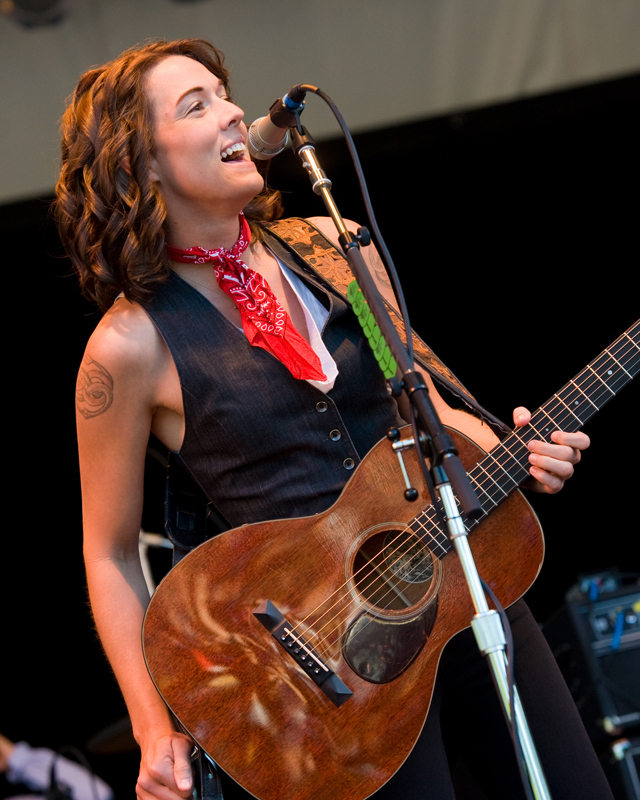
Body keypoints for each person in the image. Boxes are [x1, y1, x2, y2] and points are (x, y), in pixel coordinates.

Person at [55, 39, 610, 800]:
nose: (233, 115)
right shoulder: (128, 347)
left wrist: (519, 450)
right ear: (141, 164)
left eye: (225, 95)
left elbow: (430, 407)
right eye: (197, 105)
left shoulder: (337, 249)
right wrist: (153, 727)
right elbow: (110, 555)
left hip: (463, 587)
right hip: (324, 678)